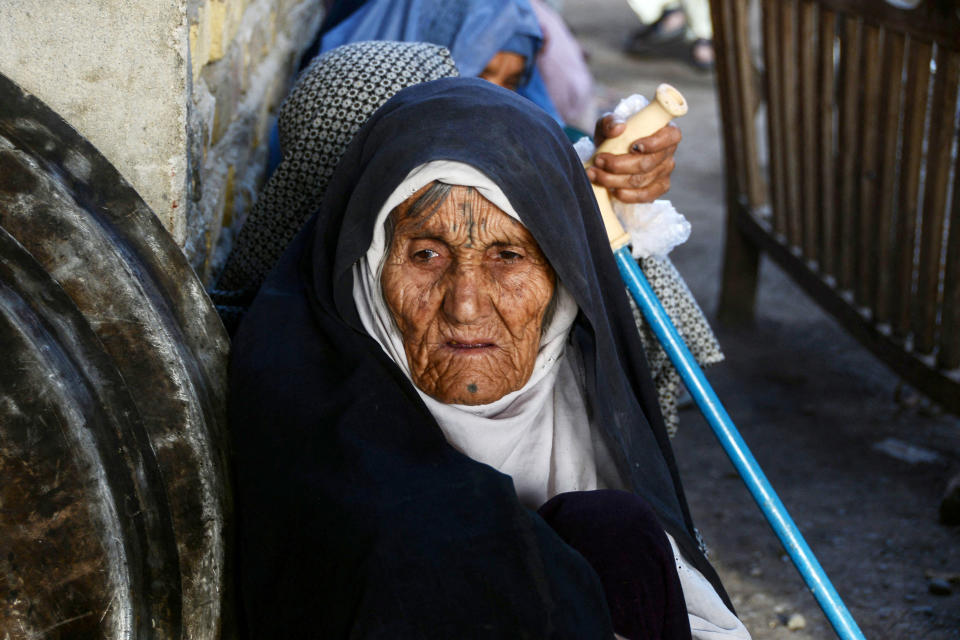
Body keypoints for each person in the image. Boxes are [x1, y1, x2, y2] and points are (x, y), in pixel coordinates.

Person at [229, 77, 749, 638]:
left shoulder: (588, 377)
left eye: (508, 255)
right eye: (426, 254)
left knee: (612, 528)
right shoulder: (316, 424)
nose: (467, 304)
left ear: (562, 276)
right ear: (367, 262)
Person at [313, 0, 682, 204]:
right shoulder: (349, 127)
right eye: (480, 74)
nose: (499, 101)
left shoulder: (527, 138)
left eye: (513, 82)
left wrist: (610, 172)